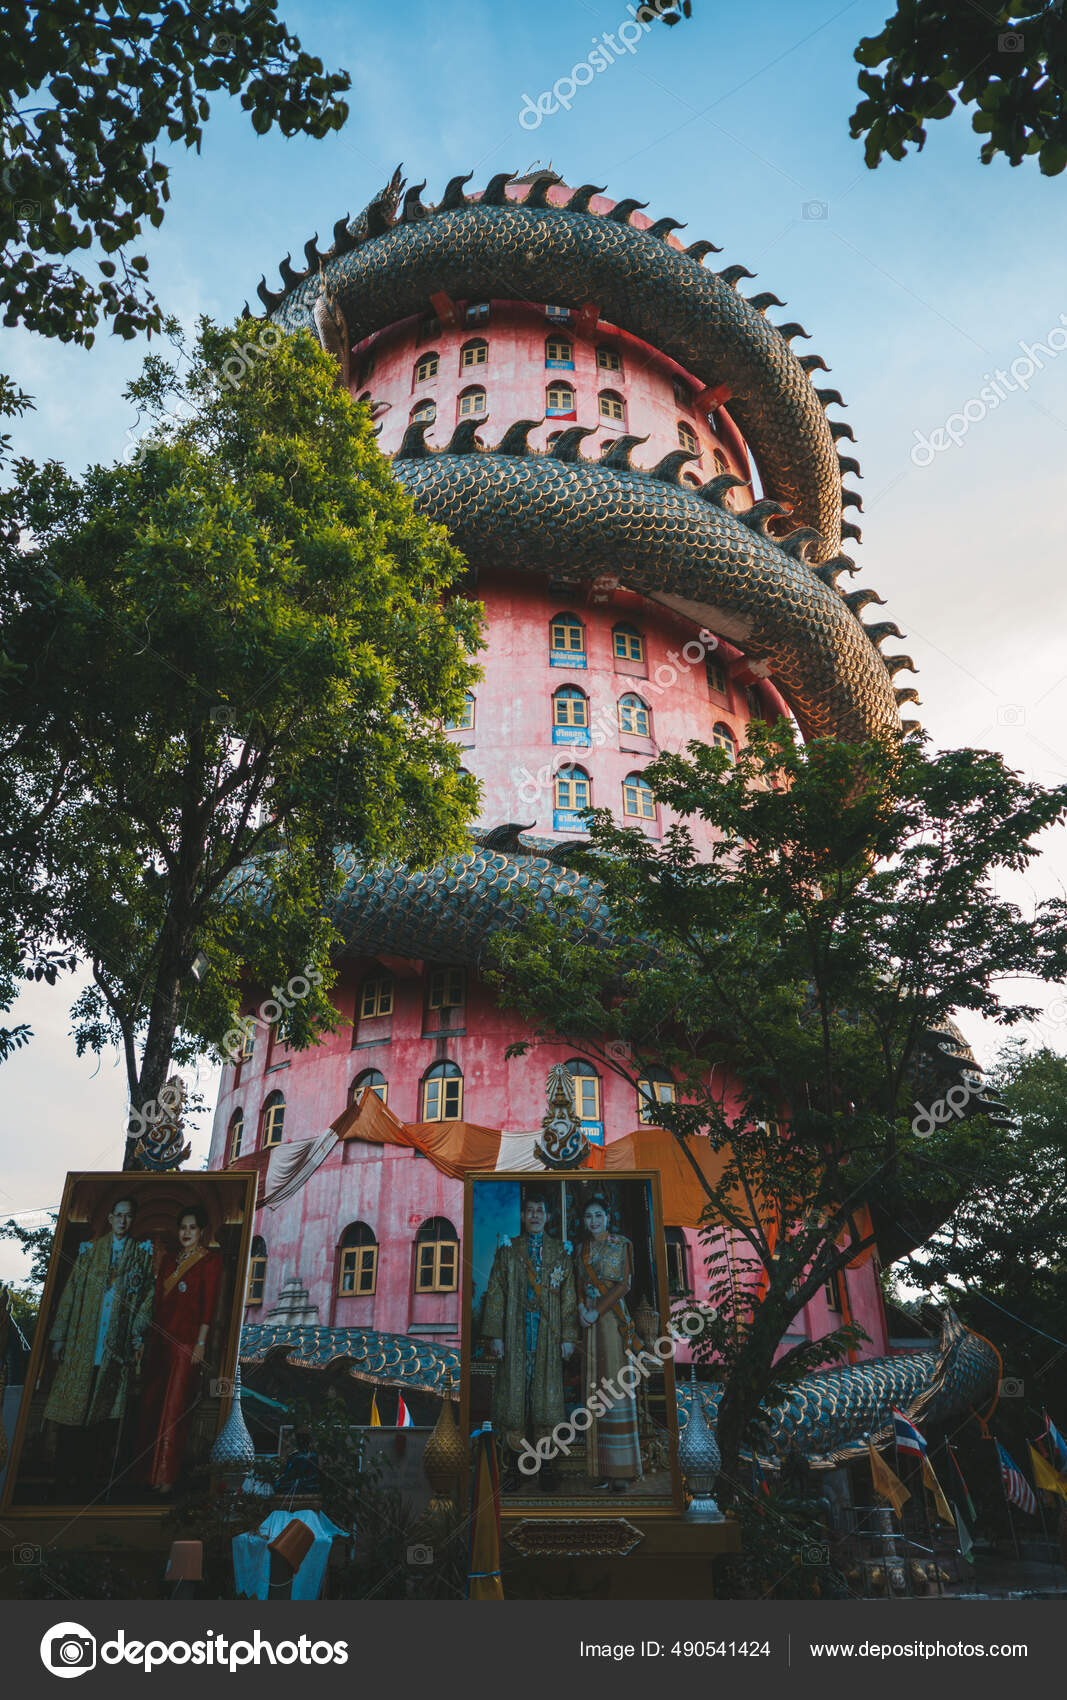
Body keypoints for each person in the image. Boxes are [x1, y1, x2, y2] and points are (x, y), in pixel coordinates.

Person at [45, 1194, 155, 1499]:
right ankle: (62, 1478)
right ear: (109, 1218)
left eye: (128, 1216)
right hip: (84, 1342)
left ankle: (89, 1483)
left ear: (133, 1220)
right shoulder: (89, 1252)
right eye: (117, 1215)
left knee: (103, 1417)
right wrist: (59, 1337)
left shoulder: (141, 1255)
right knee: (74, 1412)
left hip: (114, 1348)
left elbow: (147, 1299)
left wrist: (137, 1337)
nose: (122, 1221)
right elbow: (70, 1294)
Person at [482, 1191, 578, 1490]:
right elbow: (496, 1292)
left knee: (545, 1399)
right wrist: (495, 1335)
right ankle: (516, 1468)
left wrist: (568, 1337)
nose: (535, 1215)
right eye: (530, 1211)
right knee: (515, 1397)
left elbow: (569, 1297)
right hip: (515, 1335)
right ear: (523, 1217)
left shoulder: (559, 1252)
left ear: (547, 1217)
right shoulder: (509, 1251)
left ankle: (546, 1466)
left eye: (540, 1210)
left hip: (548, 1339)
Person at [137, 1203, 223, 1491]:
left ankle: (165, 1478)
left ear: (201, 1232)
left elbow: (209, 1306)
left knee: (174, 1409)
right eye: (183, 1227)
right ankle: (147, 1475)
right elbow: (156, 1304)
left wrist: (201, 1343)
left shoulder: (209, 1262)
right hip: (159, 1343)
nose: (187, 1232)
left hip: (186, 1344)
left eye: (192, 1228)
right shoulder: (169, 1262)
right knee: (152, 1405)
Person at [575, 1195, 643, 1493]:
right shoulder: (582, 1249)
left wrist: (595, 1311)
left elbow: (625, 1284)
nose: (593, 1221)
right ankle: (600, 1468)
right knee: (595, 1389)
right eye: (589, 1216)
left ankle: (621, 1469)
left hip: (612, 1321)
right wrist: (580, 1309)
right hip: (589, 1323)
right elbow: (578, 1283)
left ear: (608, 1217)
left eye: (598, 1215)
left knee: (615, 1387)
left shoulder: (622, 1244)